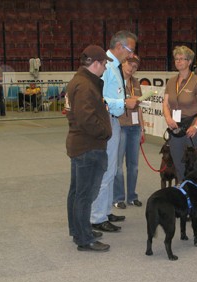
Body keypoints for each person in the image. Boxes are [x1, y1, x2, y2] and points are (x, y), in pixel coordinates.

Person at [90, 30, 139, 232]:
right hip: (107, 121)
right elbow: (96, 98)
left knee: (110, 170)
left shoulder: (115, 66)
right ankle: (97, 217)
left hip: (115, 120)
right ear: (119, 47)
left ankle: (105, 210)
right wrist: (123, 102)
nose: (131, 55)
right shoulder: (106, 66)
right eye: (130, 50)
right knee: (106, 171)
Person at [65, 44, 113, 252]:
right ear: (95, 63)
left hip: (81, 144)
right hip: (89, 146)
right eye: (103, 64)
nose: (104, 68)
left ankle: (79, 230)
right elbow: (86, 119)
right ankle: (84, 238)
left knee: (77, 193)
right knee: (84, 194)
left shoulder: (80, 81)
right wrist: (105, 131)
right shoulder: (85, 85)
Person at [163, 45, 197, 181]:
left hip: (192, 128)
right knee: (178, 164)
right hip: (175, 127)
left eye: (182, 59)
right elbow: (165, 103)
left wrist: (196, 126)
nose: (178, 61)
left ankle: (193, 193)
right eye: (176, 59)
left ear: (189, 62)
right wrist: (168, 118)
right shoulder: (171, 82)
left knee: (192, 164)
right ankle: (182, 192)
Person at [113, 55, 145, 209]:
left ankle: (132, 196)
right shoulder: (115, 81)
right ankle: (118, 197)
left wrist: (142, 126)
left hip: (134, 127)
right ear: (123, 63)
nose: (132, 68)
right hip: (120, 125)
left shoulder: (136, 82)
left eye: (135, 66)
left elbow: (138, 106)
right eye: (129, 64)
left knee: (134, 165)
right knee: (118, 165)